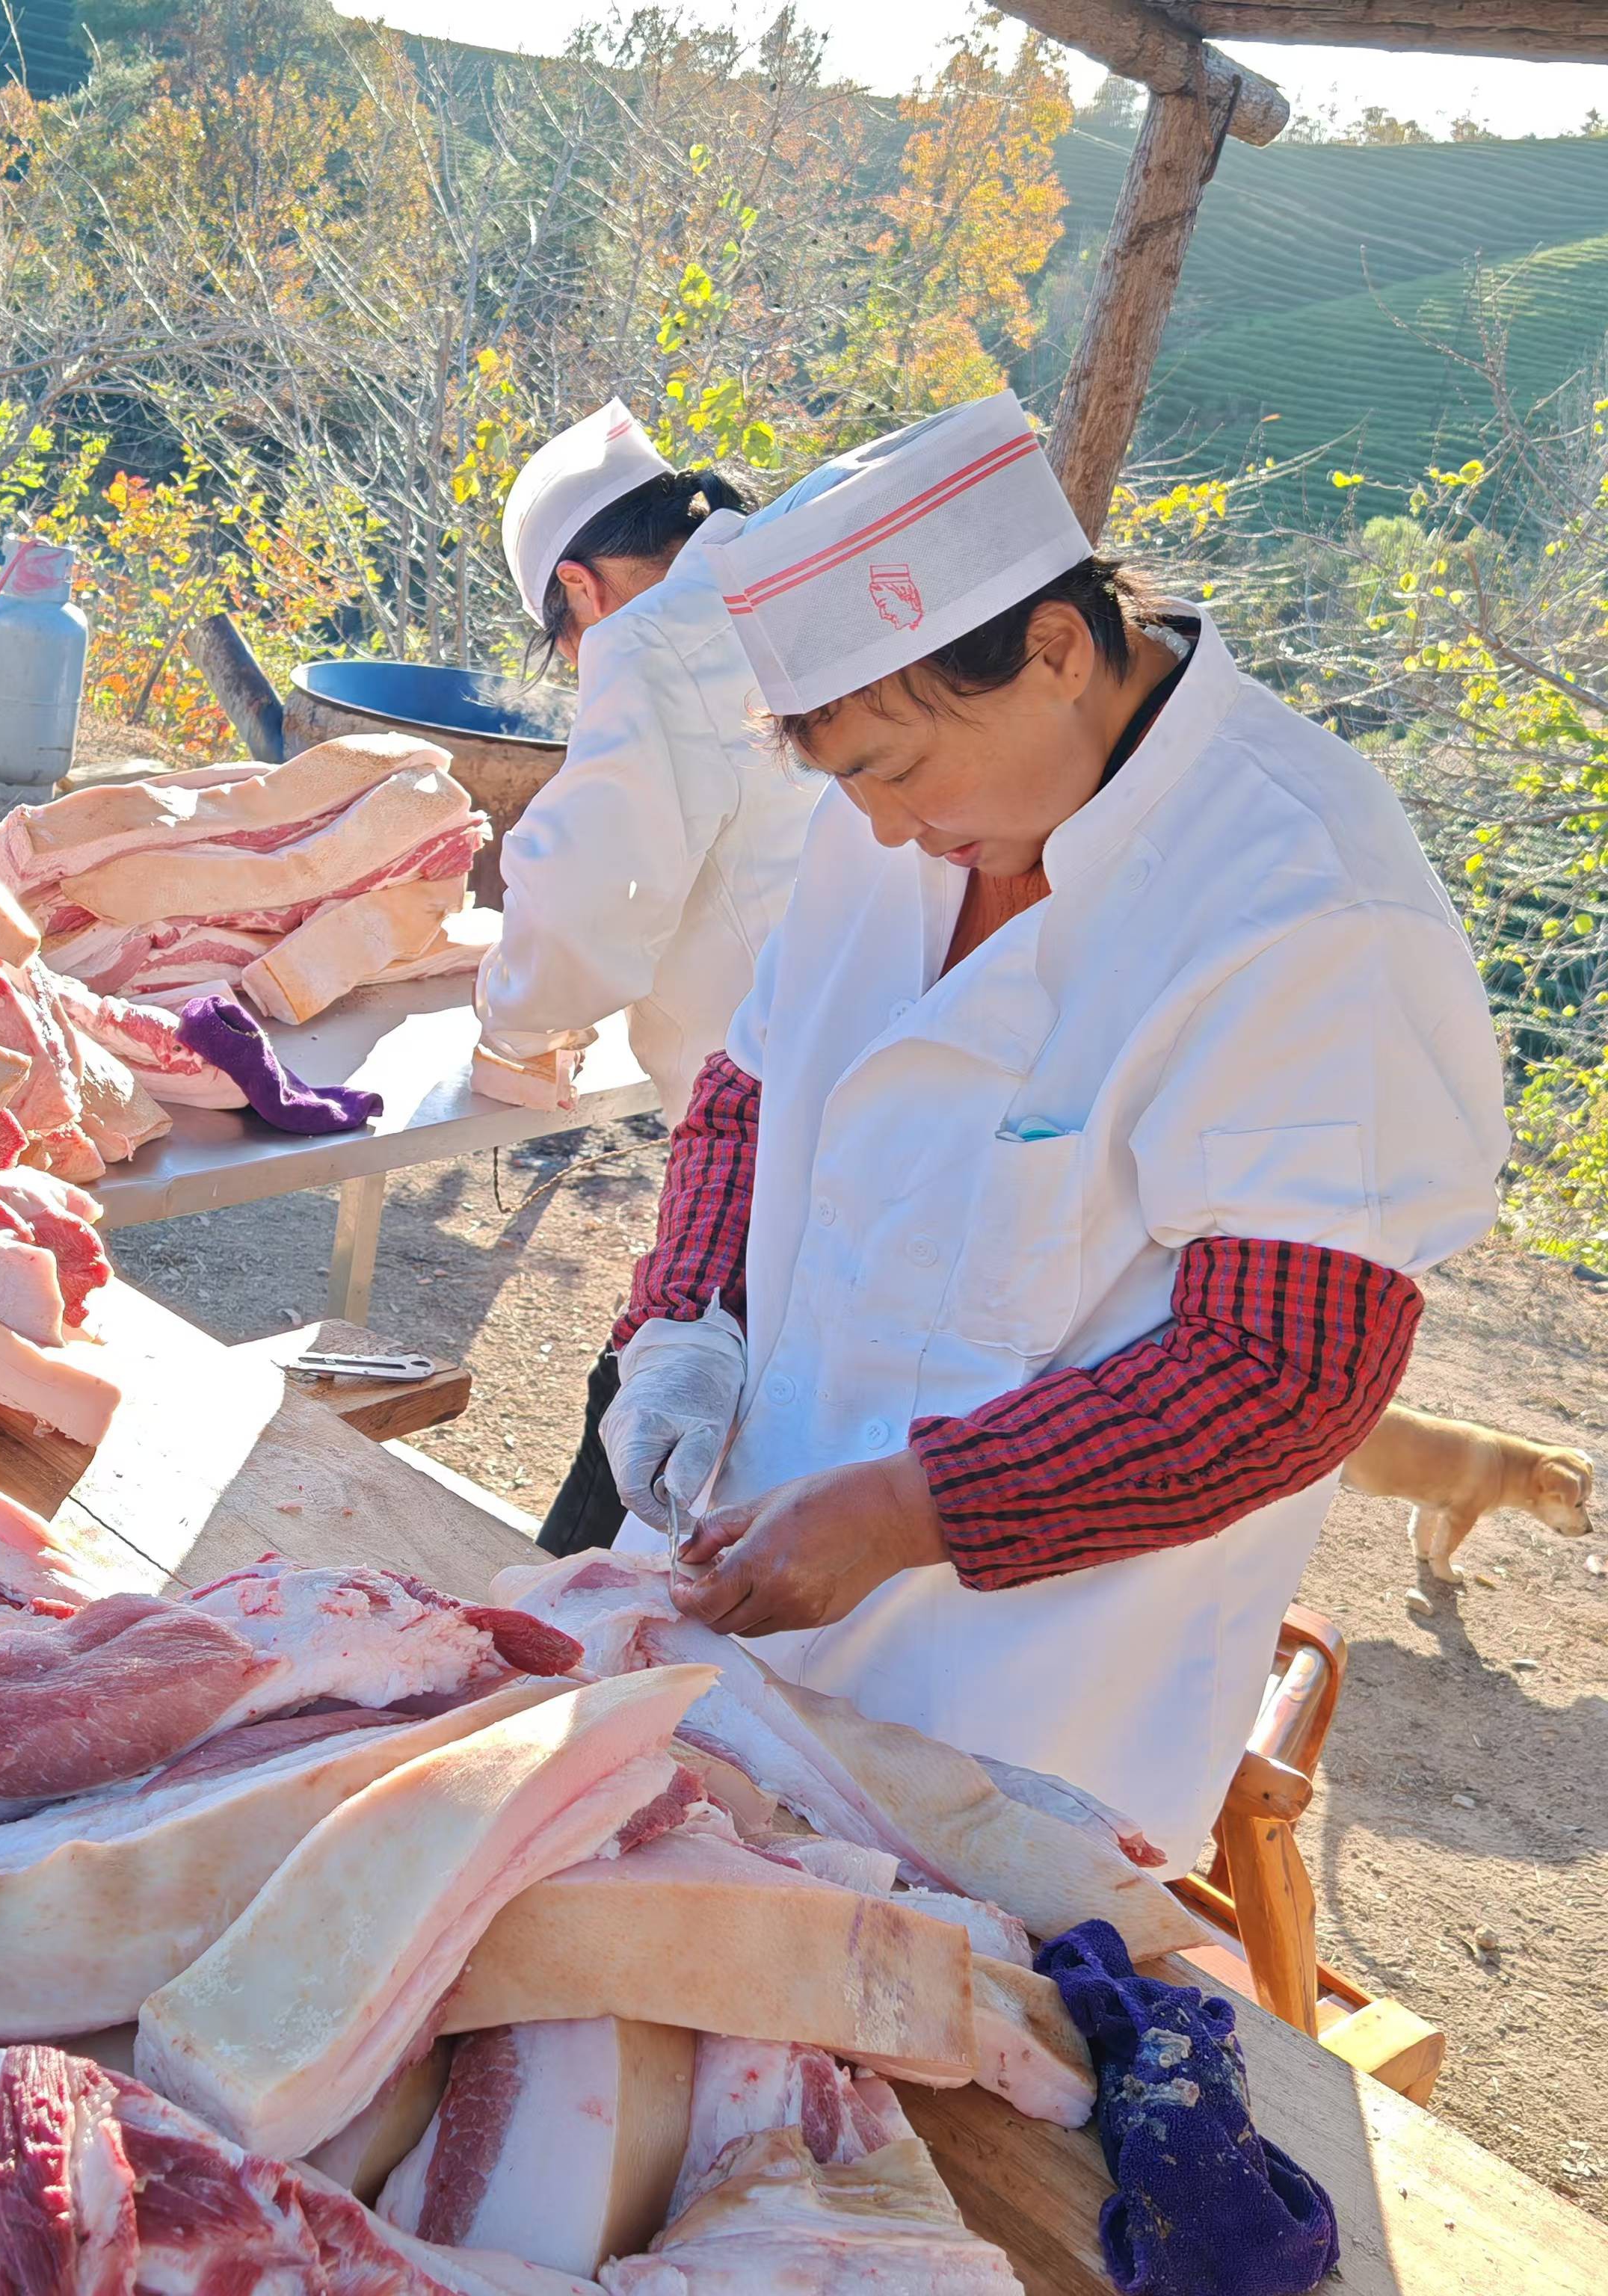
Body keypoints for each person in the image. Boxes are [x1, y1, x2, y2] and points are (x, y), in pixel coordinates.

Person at [598, 389, 1507, 1871]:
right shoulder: (898, 801)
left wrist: (909, 1510)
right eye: (846, 784)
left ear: (1056, 652)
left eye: (896, 772)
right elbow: (754, 1090)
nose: (882, 828)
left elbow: (1281, 1374)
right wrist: (686, 1323)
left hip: (1024, 1708)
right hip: (741, 1601)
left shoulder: (1310, 910)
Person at [475, 401, 822, 1555]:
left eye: (563, 641)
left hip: (774, 1110)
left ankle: (551, 1662)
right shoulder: (782, 585)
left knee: (661, 1405)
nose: (579, 667)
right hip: (855, 1070)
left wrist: (516, 1023)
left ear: (579, 588)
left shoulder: (656, 637)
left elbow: (593, 897)